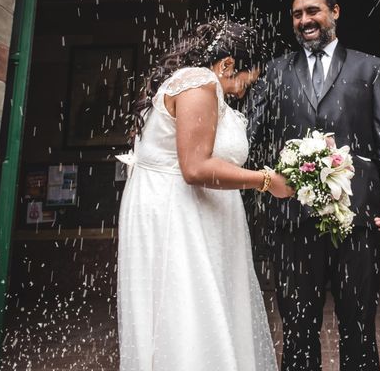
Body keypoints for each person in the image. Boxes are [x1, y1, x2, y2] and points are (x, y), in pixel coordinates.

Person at [248, 0, 380, 371]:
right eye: (297, 15)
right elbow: (249, 135)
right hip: (293, 221)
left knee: (359, 322)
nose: (305, 21)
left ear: (334, 12)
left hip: (356, 216)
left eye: (313, 11)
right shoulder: (274, 72)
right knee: (298, 324)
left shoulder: (369, 68)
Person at [117, 19, 294, 371]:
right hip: (179, 221)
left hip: (197, 217)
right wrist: (266, 180)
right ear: (228, 64)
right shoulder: (198, 84)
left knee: (204, 312)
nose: (246, 89)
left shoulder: (203, 85)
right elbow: (195, 168)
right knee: (190, 315)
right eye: (248, 78)